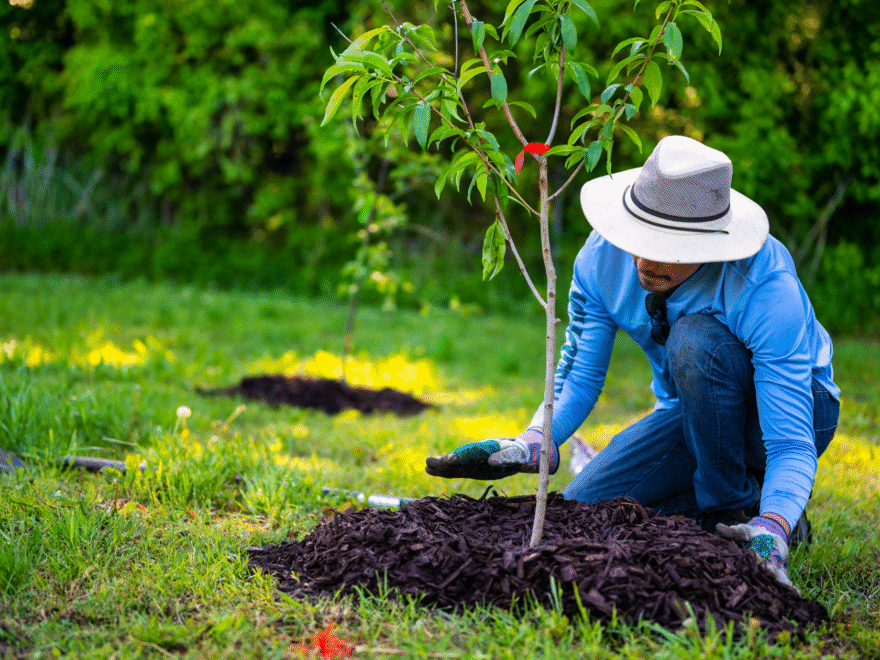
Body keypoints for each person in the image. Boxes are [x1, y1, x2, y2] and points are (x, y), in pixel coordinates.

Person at [426, 135, 840, 592]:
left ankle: (745, 513)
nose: (643, 258)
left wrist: (775, 524)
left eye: (667, 245)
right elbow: (579, 374)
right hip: (692, 415)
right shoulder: (602, 259)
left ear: (709, 244)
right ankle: (741, 503)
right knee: (586, 507)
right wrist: (535, 441)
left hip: (794, 411)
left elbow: (790, 442)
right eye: (638, 236)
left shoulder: (762, 286)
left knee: (694, 339)